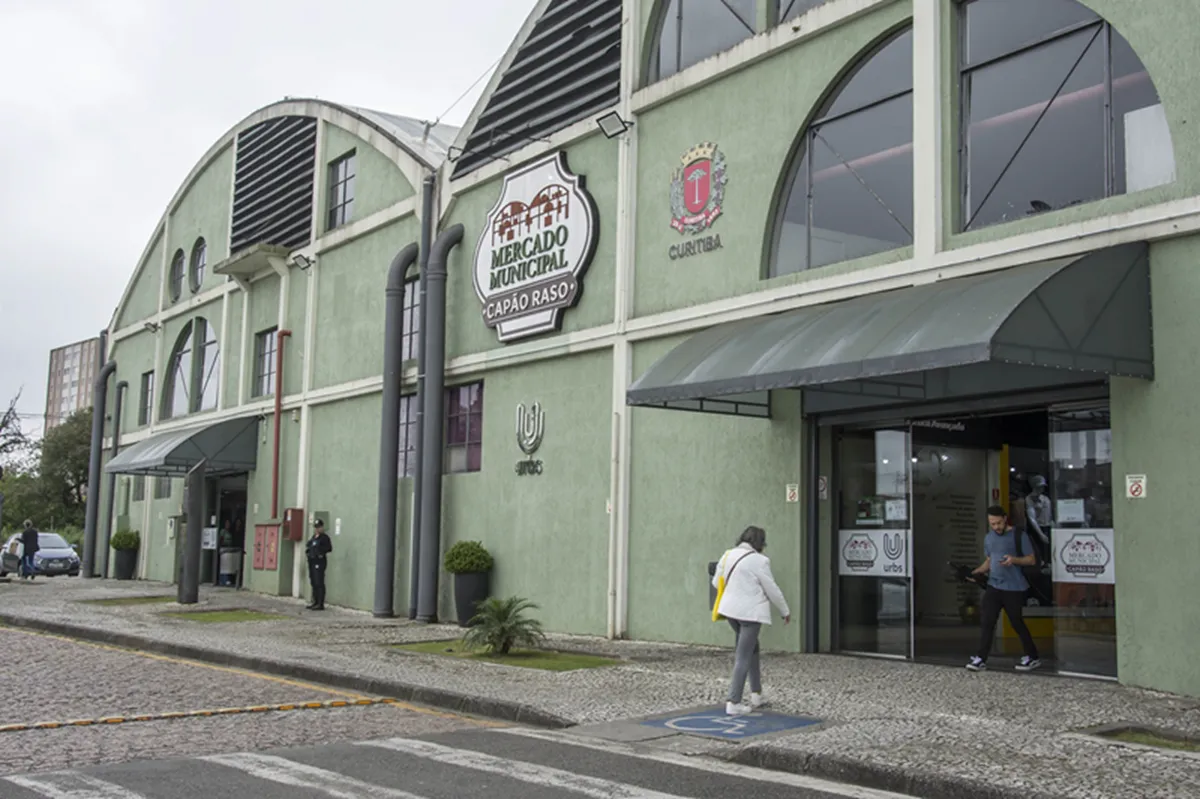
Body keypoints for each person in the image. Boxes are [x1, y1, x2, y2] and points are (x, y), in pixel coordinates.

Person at [711, 525, 791, 716]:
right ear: (760, 543)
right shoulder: (760, 561)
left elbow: (716, 582)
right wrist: (784, 610)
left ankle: (756, 694)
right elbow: (771, 588)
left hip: (730, 612)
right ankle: (734, 701)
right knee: (744, 656)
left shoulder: (727, 555)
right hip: (750, 615)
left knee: (751, 648)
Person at [965, 506, 1040, 672]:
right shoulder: (989, 538)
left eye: (998, 523)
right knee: (987, 621)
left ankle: (1032, 656)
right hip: (994, 585)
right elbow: (989, 561)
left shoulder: (1019, 535)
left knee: (1016, 622)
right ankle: (981, 658)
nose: (996, 527)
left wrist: (1013, 560)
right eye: (992, 524)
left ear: (1005, 519)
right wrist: (975, 573)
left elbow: (1031, 560)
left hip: (1014, 587)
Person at [305, 519, 332, 610]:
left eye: (319, 527)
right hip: (312, 561)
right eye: (316, 527)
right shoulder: (314, 537)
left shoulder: (324, 538)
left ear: (322, 527)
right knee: (313, 582)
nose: (317, 529)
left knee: (319, 582)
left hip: (319, 562)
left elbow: (329, 548)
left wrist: (320, 551)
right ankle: (315, 601)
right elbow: (309, 545)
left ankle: (320, 603)